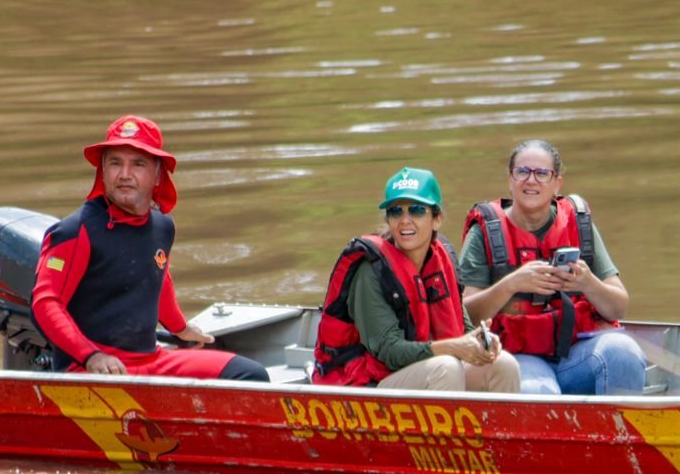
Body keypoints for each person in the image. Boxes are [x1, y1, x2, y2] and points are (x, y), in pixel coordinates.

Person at [31, 116, 268, 381]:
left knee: (251, 375)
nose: (124, 174)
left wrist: (181, 328)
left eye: (138, 164)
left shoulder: (162, 227)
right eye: (115, 163)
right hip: (91, 369)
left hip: (149, 360)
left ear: (157, 174)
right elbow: (45, 303)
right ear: (103, 170)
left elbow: (157, 278)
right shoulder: (75, 230)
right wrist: (91, 356)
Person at [459, 140, 648, 396]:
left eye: (542, 173)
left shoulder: (578, 223)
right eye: (522, 172)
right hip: (517, 357)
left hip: (577, 355)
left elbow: (618, 307)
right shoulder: (485, 231)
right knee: (539, 391)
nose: (531, 180)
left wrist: (588, 283)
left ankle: (618, 434)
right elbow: (464, 316)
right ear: (510, 180)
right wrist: (512, 284)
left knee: (623, 352)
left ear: (557, 183)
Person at [313, 167, 520, 392]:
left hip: (423, 369)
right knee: (446, 367)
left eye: (417, 210)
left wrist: (481, 340)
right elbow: (389, 352)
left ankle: (498, 429)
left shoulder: (442, 261)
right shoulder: (370, 271)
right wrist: (455, 348)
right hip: (369, 384)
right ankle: (443, 428)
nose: (405, 220)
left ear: (437, 219)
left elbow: (463, 330)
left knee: (503, 364)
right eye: (395, 211)